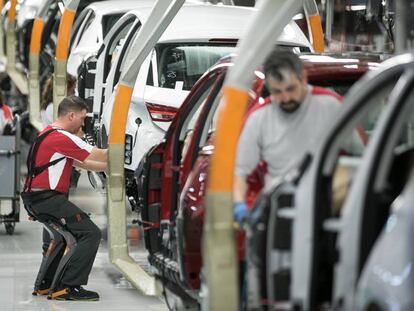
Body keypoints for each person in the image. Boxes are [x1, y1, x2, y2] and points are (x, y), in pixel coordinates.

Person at [233, 49, 343, 223]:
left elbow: (362, 155)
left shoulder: (331, 106)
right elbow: (239, 173)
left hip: (327, 209)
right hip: (279, 212)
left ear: (303, 79)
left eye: (290, 89)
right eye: (277, 92)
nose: (285, 98)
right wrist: (239, 205)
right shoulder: (259, 118)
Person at [21, 95, 107, 301]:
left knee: (61, 237)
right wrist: (124, 147)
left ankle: (45, 285)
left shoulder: (47, 134)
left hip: (34, 198)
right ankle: (68, 287)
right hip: (48, 199)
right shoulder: (62, 137)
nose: (83, 123)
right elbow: (100, 155)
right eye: (82, 118)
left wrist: (113, 167)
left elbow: (85, 163)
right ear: (71, 115)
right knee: (90, 233)